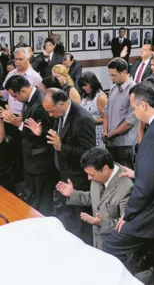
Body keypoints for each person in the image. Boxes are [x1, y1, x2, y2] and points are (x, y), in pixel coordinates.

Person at [102, 80, 154, 285]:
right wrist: (138, 172)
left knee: (110, 246)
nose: (134, 113)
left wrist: (129, 214)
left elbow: (146, 186)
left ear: (144, 105)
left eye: (133, 108)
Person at [31, 88, 95, 243]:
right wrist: (42, 132)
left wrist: (62, 148)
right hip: (63, 174)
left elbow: (89, 152)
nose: (50, 115)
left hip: (78, 180)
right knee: (66, 219)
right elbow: (56, 133)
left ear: (61, 103)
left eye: (51, 111)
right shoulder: (59, 113)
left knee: (80, 222)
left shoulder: (82, 118)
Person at [56, 147, 133, 250]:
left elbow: (126, 223)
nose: (89, 178)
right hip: (97, 243)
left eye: (91, 174)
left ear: (105, 169)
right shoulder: (98, 176)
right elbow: (95, 198)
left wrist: (101, 223)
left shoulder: (126, 187)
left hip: (114, 248)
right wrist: (72, 194)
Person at [3, 75, 56, 216]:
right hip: (31, 161)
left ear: (23, 90)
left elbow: (45, 131)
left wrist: (18, 124)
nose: (14, 99)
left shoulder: (41, 103)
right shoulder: (30, 100)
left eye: (15, 96)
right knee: (33, 198)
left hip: (41, 163)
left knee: (43, 202)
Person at [103, 58, 137, 169]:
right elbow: (107, 111)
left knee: (128, 177)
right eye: (110, 75)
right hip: (111, 142)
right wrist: (105, 132)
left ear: (123, 73)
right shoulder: (113, 88)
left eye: (114, 75)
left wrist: (110, 135)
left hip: (126, 144)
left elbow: (129, 122)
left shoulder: (134, 90)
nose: (111, 78)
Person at [79, 72, 107, 147]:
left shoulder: (100, 97)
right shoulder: (85, 96)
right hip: (86, 133)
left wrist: (90, 119)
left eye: (85, 85)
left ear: (92, 83)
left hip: (97, 134)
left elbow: (106, 118)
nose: (83, 88)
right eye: (82, 86)